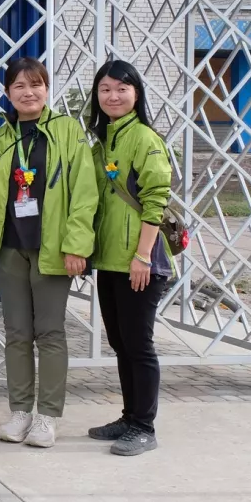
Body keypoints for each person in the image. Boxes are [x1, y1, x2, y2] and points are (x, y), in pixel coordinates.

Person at [0, 58, 98, 448]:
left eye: (35, 84)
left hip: (53, 250)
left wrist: (77, 245)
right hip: (10, 248)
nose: (27, 92)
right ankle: (20, 412)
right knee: (16, 334)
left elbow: (84, 192)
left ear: (47, 89)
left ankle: (48, 416)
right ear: (7, 92)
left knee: (50, 333)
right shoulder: (2, 136)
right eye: (18, 86)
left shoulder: (66, 131)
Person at [85, 59, 172, 457]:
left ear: (136, 93)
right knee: (121, 342)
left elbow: (155, 200)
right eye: (105, 89)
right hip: (111, 260)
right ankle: (129, 416)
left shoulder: (144, 139)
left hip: (140, 261)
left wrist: (142, 256)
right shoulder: (104, 142)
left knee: (139, 344)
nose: (113, 96)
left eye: (121, 88)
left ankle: (144, 426)